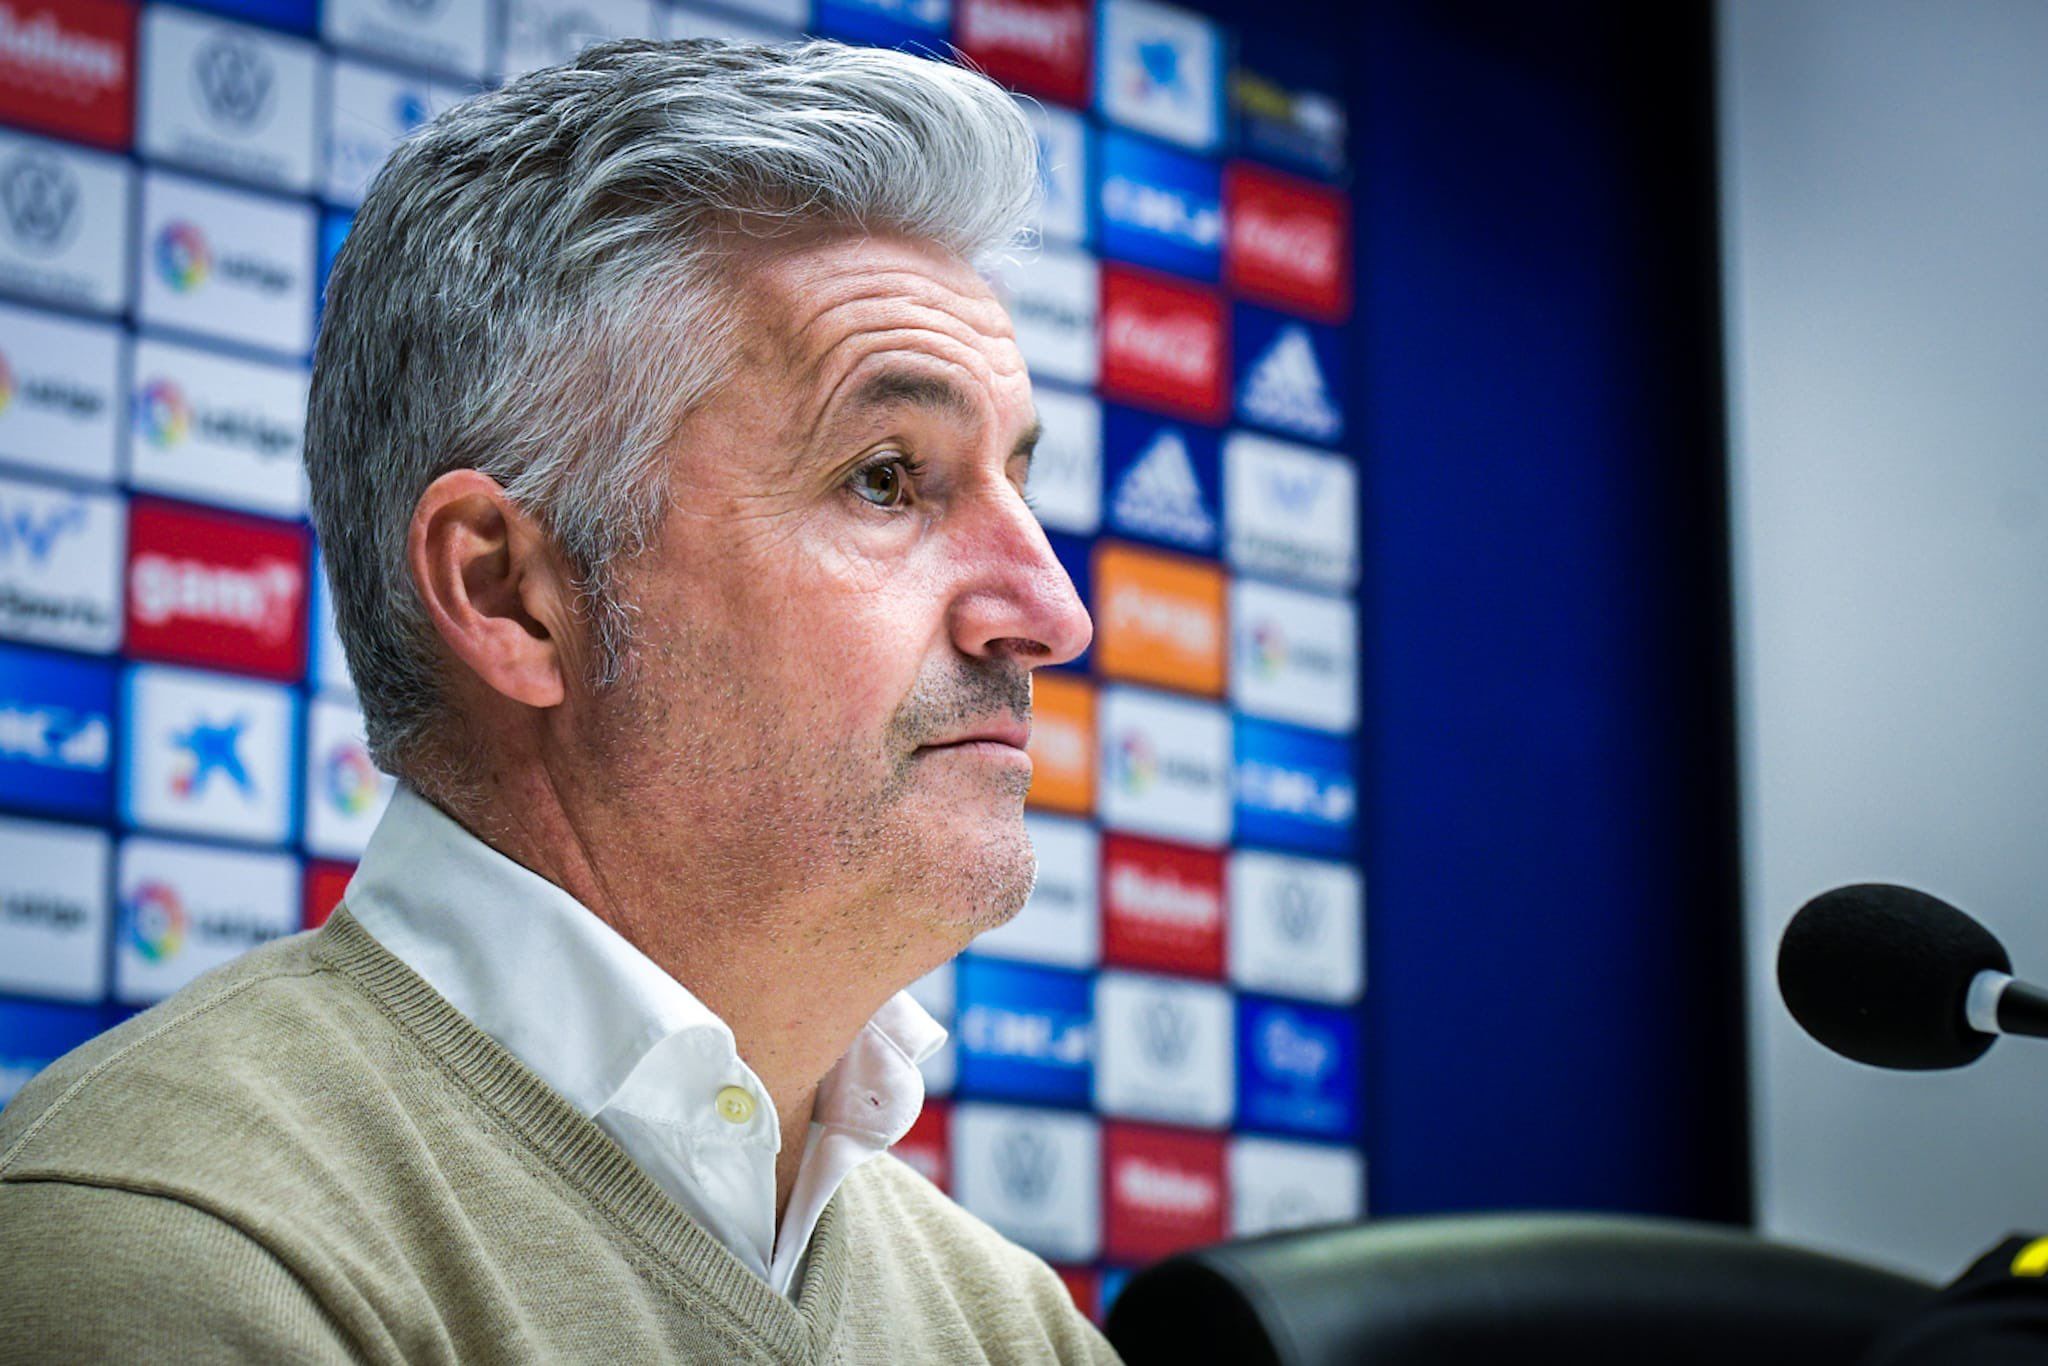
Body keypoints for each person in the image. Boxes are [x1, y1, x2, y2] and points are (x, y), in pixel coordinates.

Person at [0, 38, 1113, 1363]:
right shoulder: (173, 1246)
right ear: (511, 595)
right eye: (884, 478)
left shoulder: (1012, 1322)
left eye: (1016, 485)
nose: (1052, 614)